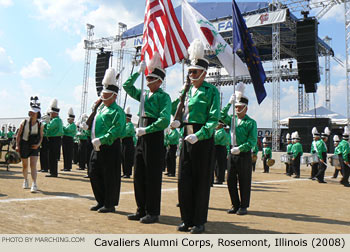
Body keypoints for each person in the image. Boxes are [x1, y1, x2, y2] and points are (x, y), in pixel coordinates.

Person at [171, 39, 220, 233]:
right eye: (189, 72)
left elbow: (213, 118)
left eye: (194, 72)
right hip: (186, 137)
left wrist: (200, 135)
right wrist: (177, 121)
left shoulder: (211, 91)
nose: (191, 75)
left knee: (200, 181)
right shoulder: (187, 90)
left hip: (203, 139)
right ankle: (186, 219)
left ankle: (199, 221)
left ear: (203, 73)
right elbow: (177, 110)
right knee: (184, 179)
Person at [124, 53, 171, 224]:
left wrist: (148, 129)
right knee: (139, 174)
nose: (148, 79)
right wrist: (138, 72)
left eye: (151, 77)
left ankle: (152, 212)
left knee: (152, 176)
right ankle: (140, 209)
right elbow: (126, 86)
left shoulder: (163, 97)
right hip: (141, 134)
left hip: (153, 135)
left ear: (159, 80)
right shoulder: (143, 94)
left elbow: (165, 119)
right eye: (148, 77)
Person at [89, 67, 126, 213]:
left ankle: (109, 204)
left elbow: (116, 129)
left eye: (107, 95)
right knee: (94, 172)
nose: (104, 98)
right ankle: (100, 200)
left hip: (110, 146)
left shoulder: (117, 111)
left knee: (109, 176)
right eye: (103, 95)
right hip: (96, 145)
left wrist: (102, 139)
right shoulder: (101, 109)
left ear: (114, 96)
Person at [220, 83, 257, 216]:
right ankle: (235, 204)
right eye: (236, 107)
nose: (237, 109)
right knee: (230, 180)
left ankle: (243, 206)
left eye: (239, 107)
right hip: (232, 153)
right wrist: (229, 103)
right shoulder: (232, 120)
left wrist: (240, 148)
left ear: (245, 108)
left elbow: (252, 141)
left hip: (243, 154)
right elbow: (221, 115)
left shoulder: (251, 123)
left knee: (244, 180)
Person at [16, 97, 44, 192]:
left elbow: (41, 137)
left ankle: (34, 184)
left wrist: (38, 145)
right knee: (25, 165)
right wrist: (17, 145)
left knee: (33, 165)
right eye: (31, 112)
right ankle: (25, 180)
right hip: (24, 144)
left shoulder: (40, 124)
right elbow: (18, 135)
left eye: (34, 112)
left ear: (37, 113)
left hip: (34, 146)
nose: (32, 114)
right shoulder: (24, 122)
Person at [44, 99, 64, 177]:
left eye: (51, 113)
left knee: (52, 156)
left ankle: (53, 172)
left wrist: (46, 123)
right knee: (52, 156)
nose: (50, 115)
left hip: (54, 139)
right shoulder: (58, 120)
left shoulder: (55, 120)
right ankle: (52, 171)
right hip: (55, 139)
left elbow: (49, 128)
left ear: (55, 113)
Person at [121, 107, 136, 178]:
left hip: (128, 141)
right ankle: (124, 172)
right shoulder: (125, 125)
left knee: (127, 157)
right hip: (124, 142)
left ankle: (128, 173)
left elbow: (125, 132)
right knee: (123, 157)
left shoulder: (130, 125)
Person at [39, 109, 50, 173]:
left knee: (45, 153)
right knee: (42, 154)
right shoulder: (45, 122)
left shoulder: (46, 123)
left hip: (45, 138)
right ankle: (43, 167)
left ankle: (45, 168)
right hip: (43, 138)